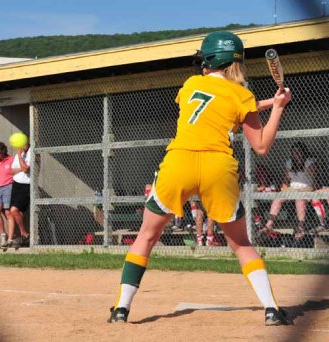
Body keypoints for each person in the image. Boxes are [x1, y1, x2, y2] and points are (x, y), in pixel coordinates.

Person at [107, 31, 292, 326]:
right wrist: (278, 109)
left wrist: (270, 102)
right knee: (241, 244)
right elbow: (260, 145)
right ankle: (271, 309)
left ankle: (120, 309)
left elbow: (214, 106)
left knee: (146, 236)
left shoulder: (191, 84)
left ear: (209, 61)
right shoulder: (242, 95)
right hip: (217, 167)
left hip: (179, 161)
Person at [262, 142, 318, 240]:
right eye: (294, 152)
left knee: (299, 200)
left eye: (298, 151)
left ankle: (301, 227)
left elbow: (314, 181)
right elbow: (286, 180)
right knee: (278, 198)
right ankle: (269, 224)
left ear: (303, 152)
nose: (296, 154)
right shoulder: (290, 163)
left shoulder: (309, 162)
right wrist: (283, 189)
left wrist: (308, 191)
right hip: (292, 189)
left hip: (306, 188)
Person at [3, 141, 31, 248]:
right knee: (18, 212)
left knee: (13, 210)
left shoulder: (31, 154)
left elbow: (26, 169)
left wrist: (19, 156)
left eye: (24, 143)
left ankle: (24, 233)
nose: (21, 146)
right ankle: (23, 238)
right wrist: (21, 167)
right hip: (16, 185)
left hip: (25, 186)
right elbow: (11, 171)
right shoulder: (18, 155)